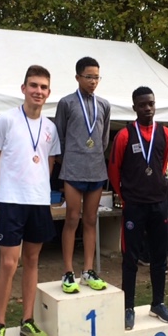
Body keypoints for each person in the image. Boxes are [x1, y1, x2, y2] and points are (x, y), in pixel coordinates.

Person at [0, 65, 61, 336]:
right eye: (34, 85)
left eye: (43, 87)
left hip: (38, 202)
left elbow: (49, 162)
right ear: (23, 88)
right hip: (11, 202)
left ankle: (27, 321)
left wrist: (38, 188)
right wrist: (3, 193)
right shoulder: (5, 120)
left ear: (48, 93)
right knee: (9, 263)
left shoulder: (51, 127)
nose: (38, 91)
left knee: (32, 260)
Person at [108, 86, 168, 330]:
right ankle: (128, 307)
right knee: (131, 258)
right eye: (142, 105)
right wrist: (124, 196)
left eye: (151, 103)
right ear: (134, 107)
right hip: (134, 205)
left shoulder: (165, 133)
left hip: (159, 204)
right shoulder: (124, 135)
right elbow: (113, 169)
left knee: (159, 257)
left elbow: (162, 163)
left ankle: (158, 303)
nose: (148, 108)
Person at [54, 57, 111, 293]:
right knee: (71, 219)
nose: (93, 81)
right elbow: (59, 136)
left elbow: (104, 139)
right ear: (78, 77)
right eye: (89, 77)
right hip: (73, 169)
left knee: (90, 220)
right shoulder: (66, 103)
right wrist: (71, 158)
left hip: (96, 169)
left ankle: (88, 270)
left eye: (97, 77)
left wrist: (93, 154)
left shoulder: (104, 105)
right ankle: (68, 272)